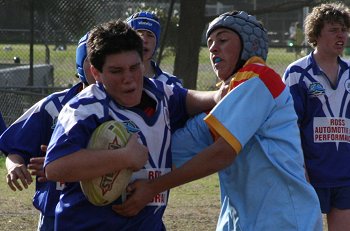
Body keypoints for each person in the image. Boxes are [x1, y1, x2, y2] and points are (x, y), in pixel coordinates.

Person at [113, 11, 323, 231]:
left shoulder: (260, 78)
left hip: (284, 219)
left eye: (222, 40)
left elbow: (222, 153)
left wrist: (154, 187)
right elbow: (176, 148)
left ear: (249, 45)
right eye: (210, 42)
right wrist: (116, 157)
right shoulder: (226, 102)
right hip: (240, 220)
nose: (213, 48)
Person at [43, 19, 218, 231]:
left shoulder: (160, 93)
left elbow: (191, 99)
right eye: (116, 71)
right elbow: (55, 167)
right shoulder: (84, 109)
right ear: (96, 73)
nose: (129, 79)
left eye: (135, 68)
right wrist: (124, 157)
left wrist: (223, 93)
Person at [0, 32, 94, 231]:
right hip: (56, 213)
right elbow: (14, 150)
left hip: (106, 214)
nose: (97, 67)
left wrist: (61, 164)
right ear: (80, 62)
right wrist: (14, 166)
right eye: (92, 59)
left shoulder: (125, 109)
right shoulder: (52, 106)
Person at [283, 3, 350, 231]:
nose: (341, 34)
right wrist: (298, 169)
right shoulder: (297, 74)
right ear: (316, 33)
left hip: (345, 176)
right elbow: (288, 126)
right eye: (333, 29)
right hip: (309, 175)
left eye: (343, 29)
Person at [126, 11, 183, 87]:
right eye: (139, 34)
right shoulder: (114, 80)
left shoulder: (171, 84)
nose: (144, 40)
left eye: (150, 35)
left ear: (156, 43)